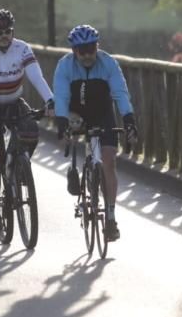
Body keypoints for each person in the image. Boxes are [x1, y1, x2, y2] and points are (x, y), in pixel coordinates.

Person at [0, 9, 54, 233]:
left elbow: (37, 77)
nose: (4, 36)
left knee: (32, 132)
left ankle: (18, 169)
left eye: (8, 31)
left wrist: (51, 100)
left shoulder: (22, 49)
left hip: (13, 102)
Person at [52, 24, 138, 242]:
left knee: (108, 161)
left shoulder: (108, 62)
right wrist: (62, 123)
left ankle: (110, 217)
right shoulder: (65, 66)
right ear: (74, 51)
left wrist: (129, 120)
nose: (88, 55)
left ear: (97, 47)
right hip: (75, 112)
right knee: (76, 130)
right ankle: (78, 173)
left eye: (91, 49)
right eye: (82, 51)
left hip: (102, 113)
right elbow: (60, 96)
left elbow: (120, 92)